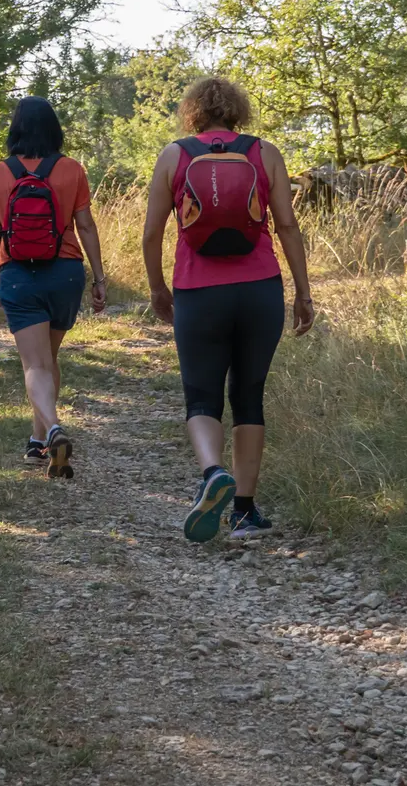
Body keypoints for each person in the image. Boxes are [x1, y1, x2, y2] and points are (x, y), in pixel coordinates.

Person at [141, 77, 313, 542]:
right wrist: (303, 291)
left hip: (198, 291)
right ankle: (243, 512)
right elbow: (287, 226)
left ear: (192, 111)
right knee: (249, 396)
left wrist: (158, 287)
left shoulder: (174, 155)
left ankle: (213, 472)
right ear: (239, 110)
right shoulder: (265, 152)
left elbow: (153, 232)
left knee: (201, 397)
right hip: (259, 288)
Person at [0, 97, 106, 478]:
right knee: (49, 359)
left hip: (18, 273)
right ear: (54, 128)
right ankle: (39, 442)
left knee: (34, 364)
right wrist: (99, 279)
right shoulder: (72, 170)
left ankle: (51, 428)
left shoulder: (1, 173)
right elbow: (85, 226)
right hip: (64, 272)